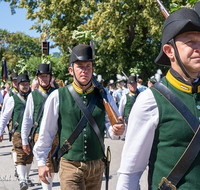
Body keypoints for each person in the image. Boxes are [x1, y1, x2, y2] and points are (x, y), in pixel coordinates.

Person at [117, 7, 200, 190]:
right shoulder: (150, 100)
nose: (198, 48)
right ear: (169, 51)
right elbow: (129, 175)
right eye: (191, 42)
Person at [33, 44, 126, 190]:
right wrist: (41, 162)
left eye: (88, 66)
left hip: (97, 165)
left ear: (93, 70)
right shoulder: (57, 96)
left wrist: (118, 131)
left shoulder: (104, 95)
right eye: (80, 66)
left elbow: (110, 128)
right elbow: (47, 132)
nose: (84, 70)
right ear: (71, 70)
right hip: (70, 165)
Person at [21, 64, 58, 190]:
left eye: (46, 76)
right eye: (41, 76)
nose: (44, 78)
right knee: (46, 164)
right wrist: (24, 140)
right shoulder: (33, 95)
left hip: (57, 135)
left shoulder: (58, 93)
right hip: (40, 135)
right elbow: (27, 120)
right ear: (37, 78)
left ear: (50, 77)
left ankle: (48, 185)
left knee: (53, 166)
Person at [0, 73, 33, 190]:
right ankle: (22, 180)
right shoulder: (12, 99)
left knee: (30, 157)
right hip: (18, 132)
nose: (25, 86)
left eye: (27, 84)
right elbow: (4, 116)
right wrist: (0, 131)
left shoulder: (33, 97)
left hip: (32, 132)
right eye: (23, 84)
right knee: (20, 155)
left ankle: (26, 177)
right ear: (18, 86)